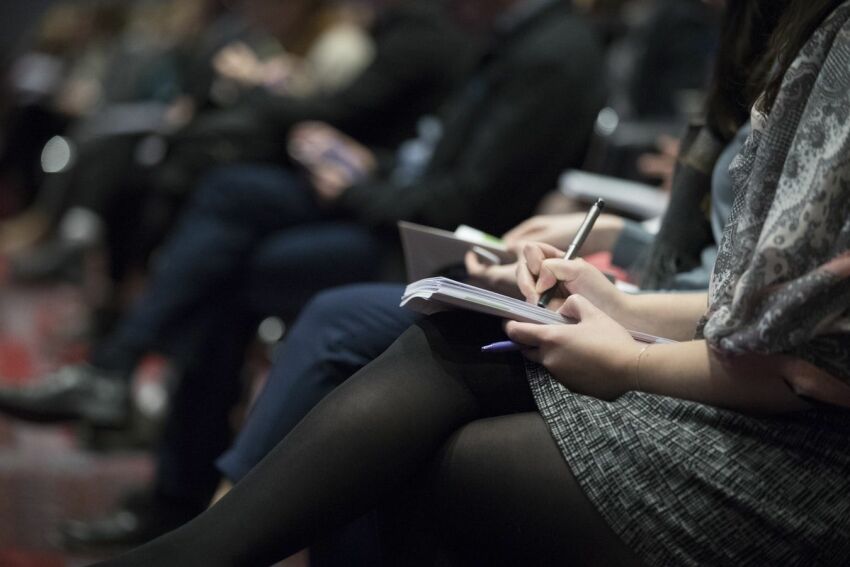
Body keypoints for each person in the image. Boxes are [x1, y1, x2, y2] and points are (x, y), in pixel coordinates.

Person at [89, 0, 850, 565]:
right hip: (727, 362)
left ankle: (194, 527)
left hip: (802, 454)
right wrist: (620, 299)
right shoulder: (796, 37)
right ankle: (190, 520)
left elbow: (804, 355)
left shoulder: (554, 49)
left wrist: (633, 352)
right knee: (415, 320)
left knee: (409, 425)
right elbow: (752, 300)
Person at [0, 0, 607, 550]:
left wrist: (360, 187)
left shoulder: (544, 52)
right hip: (397, 212)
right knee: (229, 199)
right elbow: (433, 155)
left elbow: (464, 202)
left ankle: (194, 507)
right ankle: (177, 483)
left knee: (245, 267)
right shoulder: (501, 33)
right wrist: (370, 168)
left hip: (446, 251)